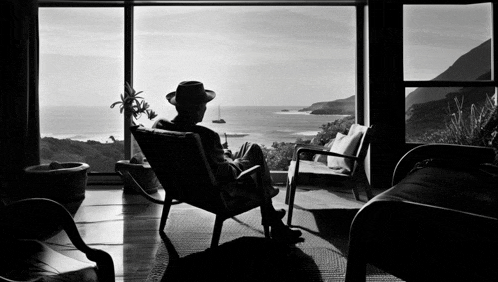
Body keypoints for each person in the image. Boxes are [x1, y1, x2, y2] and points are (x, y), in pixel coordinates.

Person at [153, 81, 303, 243]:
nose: (205, 108)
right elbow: (228, 174)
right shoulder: (205, 136)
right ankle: (270, 211)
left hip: (184, 187)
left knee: (245, 148)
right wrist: (237, 161)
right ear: (198, 108)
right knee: (253, 150)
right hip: (219, 193)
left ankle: (270, 214)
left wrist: (222, 156)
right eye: (204, 105)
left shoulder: (161, 127)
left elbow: (199, 163)